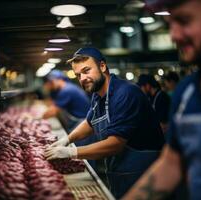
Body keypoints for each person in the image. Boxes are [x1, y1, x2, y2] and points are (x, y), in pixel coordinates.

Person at [123, 0, 201, 199]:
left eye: (184, 20)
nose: (174, 35)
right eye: (170, 24)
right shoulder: (186, 91)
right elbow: (171, 163)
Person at [45, 47, 165, 198]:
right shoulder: (98, 94)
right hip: (121, 172)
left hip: (145, 173)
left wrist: (72, 152)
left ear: (102, 66)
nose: (82, 78)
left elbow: (116, 144)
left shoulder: (125, 93)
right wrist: (67, 139)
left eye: (86, 70)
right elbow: (90, 122)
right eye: (78, 75)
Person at [42, 69, 90, 134]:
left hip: (82, 122)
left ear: (60, 79)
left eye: (52, 82)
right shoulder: (68, 87)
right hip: (79, 120)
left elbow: (52, 112)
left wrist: (36, 119)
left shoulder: (66, 90)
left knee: (81, 143)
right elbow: (52, 104)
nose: (50, 84)